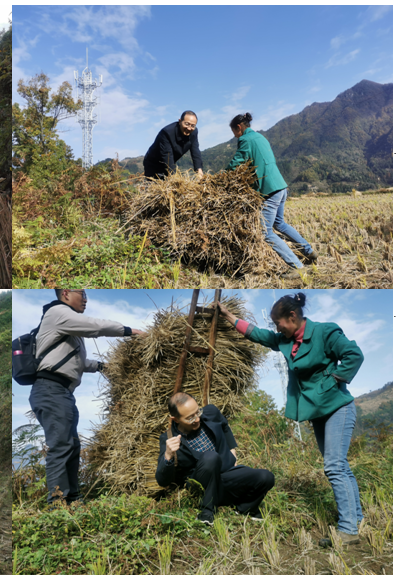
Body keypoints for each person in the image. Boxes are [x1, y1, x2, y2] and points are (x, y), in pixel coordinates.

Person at [218, 293, 364, 547]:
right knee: (339, 466)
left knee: (334, 466)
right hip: (318, 412)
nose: (277, 328)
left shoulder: (324, 332)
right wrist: (230, 317)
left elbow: (354, 355)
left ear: (293, 316)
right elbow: (259, 335)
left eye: (279, 323)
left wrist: (333, 381)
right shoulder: (287, 340)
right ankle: (355, 518)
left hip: (338, 407)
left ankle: (349, 530)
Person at [30, 289, 146, 505]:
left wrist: (102, 366)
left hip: (61, 392)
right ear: (65, 293)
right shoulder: (58, 313)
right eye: (81, 293)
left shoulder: (67, 325)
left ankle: (73, 498)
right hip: (50, 389)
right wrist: (131, 331)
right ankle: (57, 503)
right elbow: (96, 326)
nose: (86, 299)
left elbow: (77, 362)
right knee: (61, 446)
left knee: (72, 446)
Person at [155, 392, 275, 525]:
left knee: (266, 477)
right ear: (175, 419)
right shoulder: (168, 439)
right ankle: (207, 512)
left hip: (226, 476)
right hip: (201, 486)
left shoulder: (211, 412)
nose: (196, 419)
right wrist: (168, 455)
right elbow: (162, 481)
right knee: (211, 457)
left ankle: (244, 508)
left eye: (197, 412)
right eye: (190, 418)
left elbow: (225, 426)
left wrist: (232, 451)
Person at [226, 113, 318, 279]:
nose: (235, 137)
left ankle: (297, 267)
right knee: (279, 223)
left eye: (234, 133)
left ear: (238, 128)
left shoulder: (245, 140)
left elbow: (236, 162)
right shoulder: (260, 137)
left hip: (268, 189)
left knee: (264, 232)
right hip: (280, 186)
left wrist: (221, 177)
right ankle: (309, 251)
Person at [143, 111, 204, 180]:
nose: (189, 128)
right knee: (154, 186)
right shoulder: (166, 133)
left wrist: (199, 170)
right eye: (187, 124)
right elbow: (168, 156)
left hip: (169, 163)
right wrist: (175, 178)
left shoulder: (194, 132)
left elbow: (195, 150)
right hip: (153, 163)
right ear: (180, 121)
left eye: (192, 125)